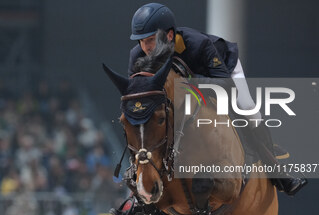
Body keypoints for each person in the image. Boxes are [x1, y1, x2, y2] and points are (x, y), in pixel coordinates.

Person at [126, 2, 307, 196]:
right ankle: (134, 184)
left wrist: (187, 83)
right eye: (141, 41)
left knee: (248, 110)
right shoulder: (137, 56)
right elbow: (137, 99)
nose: (145, 47)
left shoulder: (198, 44)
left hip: (223, 72)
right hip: (188, 90)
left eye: (151, 39)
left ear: (169, 35)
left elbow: (225, 85)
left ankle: (278, 172)